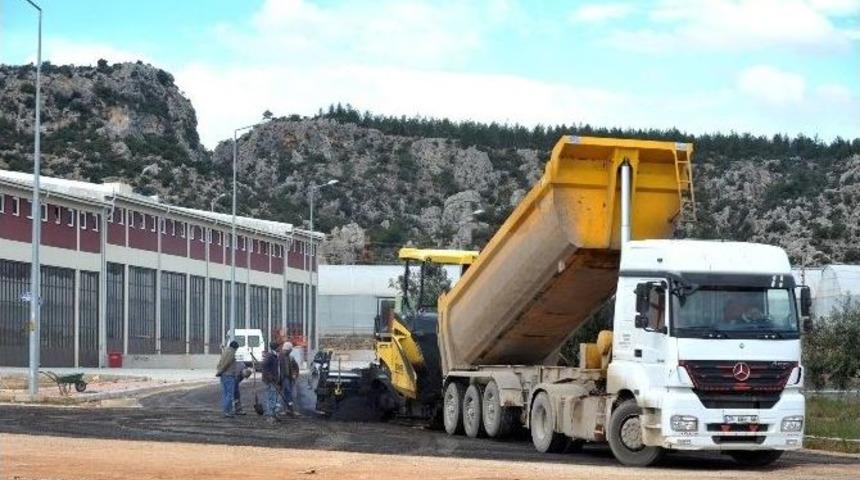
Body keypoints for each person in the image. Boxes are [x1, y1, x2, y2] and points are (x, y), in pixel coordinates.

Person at [215, 340, 240, 418]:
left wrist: (219, 371)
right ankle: (227, 411)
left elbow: (220, 362)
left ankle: (226, 410)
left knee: (225, 394)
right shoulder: (231, 353)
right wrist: (221, 371)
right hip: (229, 375)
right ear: (235, 348)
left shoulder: (225, 351)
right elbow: (227, 363)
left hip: (223, 376)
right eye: (236, 349)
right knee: (229, 394)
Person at [260, 341, 282, 424]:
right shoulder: (270, 356)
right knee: (271, 396)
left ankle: (273, 414)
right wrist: (269, 376)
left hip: (273, 379)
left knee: (273, 396)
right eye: (279, 347)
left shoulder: (274, 355)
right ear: (276, 347)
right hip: (270, 380)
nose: (280, 348)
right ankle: (270, 415)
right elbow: (263, 365)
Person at [279, 342, 301, 415]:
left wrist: (294, 374)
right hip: (281, 379)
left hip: (288, 378)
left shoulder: (290, 358)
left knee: (289, 393)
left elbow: (296, 367)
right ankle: (286, 409)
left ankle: (289, 409)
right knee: (285, 393)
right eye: (289, 350)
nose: (290, 351)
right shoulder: (279, 357)